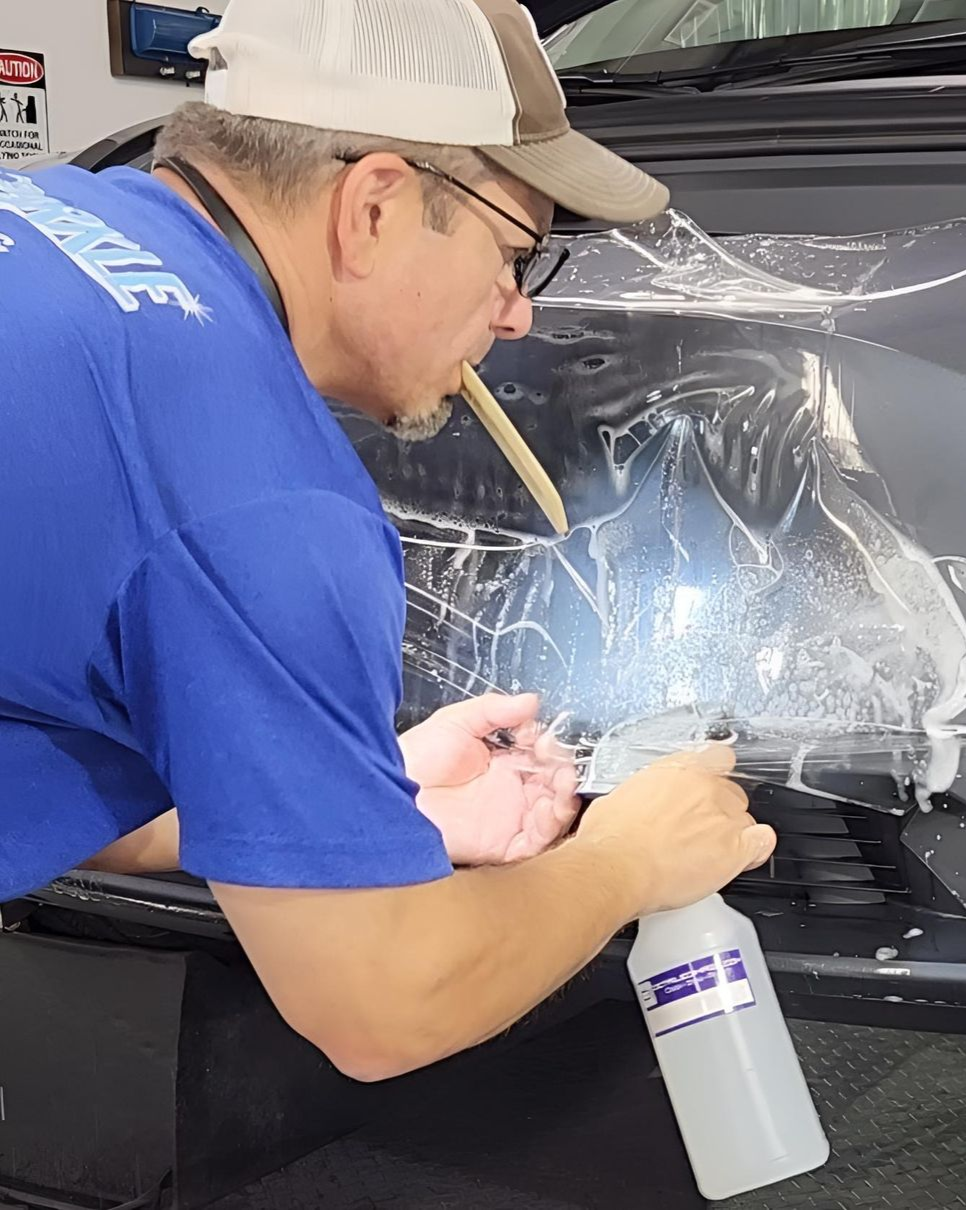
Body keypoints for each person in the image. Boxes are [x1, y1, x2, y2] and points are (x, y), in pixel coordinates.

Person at [0, 0, 776, 1082]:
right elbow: (384, 1005)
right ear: (373, 205)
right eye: (515, 254)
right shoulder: (252, 489)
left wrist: (356, 798)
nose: (517, 316)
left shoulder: (47, 215)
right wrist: (624, 860)